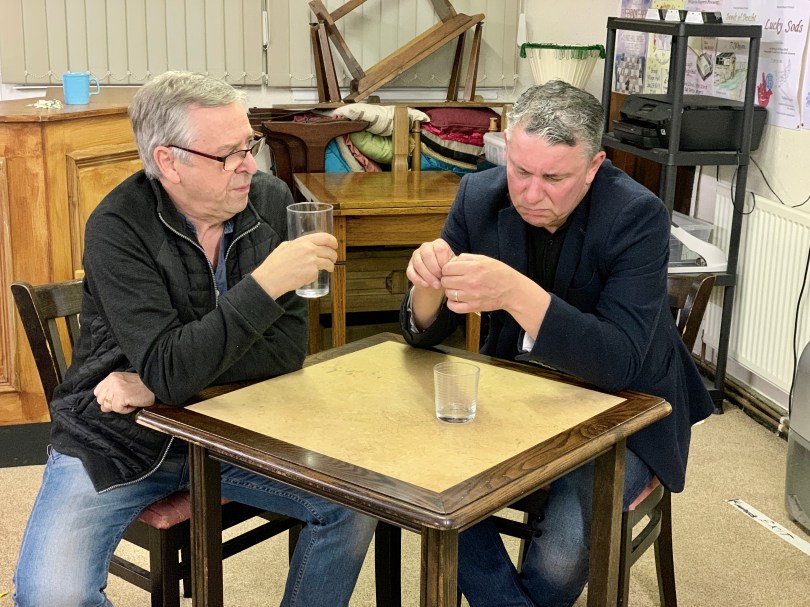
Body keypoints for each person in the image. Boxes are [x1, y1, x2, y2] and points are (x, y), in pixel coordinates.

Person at [14, 71, 377, 607]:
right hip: (117, 438)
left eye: (250, 144)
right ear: (169, 162)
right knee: (50, 596)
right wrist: (264, 285)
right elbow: (171, 367)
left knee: (357, 502)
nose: (249, 164)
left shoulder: (270, 200)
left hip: (236, 427)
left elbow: (284, 353)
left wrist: (153, 382)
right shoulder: (118, 227)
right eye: (229, 154)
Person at [400, 80, 714, 607]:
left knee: (560, 556)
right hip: (521, 397)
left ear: (593, 167)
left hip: (628, 409)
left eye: (554, 178)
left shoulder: (637, 215)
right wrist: (426, 286)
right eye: (520, 170)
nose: (530, 193)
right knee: (424, 484)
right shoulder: (478, 196)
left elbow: (618, 360)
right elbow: (424, 332)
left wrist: (516, 293)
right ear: (507, 149)